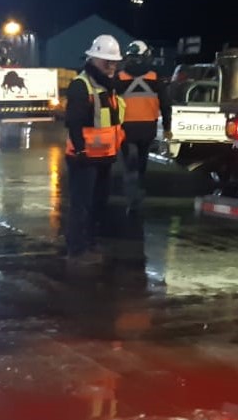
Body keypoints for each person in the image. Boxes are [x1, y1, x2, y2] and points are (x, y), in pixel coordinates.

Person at [64, 34, 125, 268]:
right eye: (107, 61)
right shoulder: (82, 85)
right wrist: (80, 150)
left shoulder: (109, 86)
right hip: (84, 158)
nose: (111, 66)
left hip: (104, 158)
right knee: (81, 205)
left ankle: (90, 243)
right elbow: (74, 122)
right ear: (94, 59)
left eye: (114, 62)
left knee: (98, 204)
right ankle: (77, 250)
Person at [116, 40, 171, 214]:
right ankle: (138, 190)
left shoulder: (119, 78)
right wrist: (167, 127)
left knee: (129, 164)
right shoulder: (155, 78)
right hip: (148, 129)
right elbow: (165, 104)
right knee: (141, 163)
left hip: (126, 129)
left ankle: (132, 197)